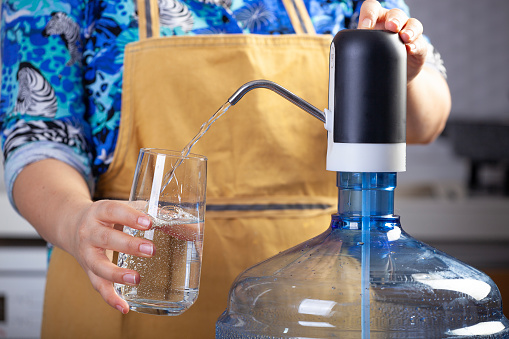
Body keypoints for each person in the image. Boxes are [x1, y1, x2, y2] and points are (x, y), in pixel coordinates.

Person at [1, 0, 451, 337]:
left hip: (317, 309)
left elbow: (427, 122)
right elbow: (35, 140)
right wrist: (74, 219)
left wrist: (398, 70)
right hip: (130, 299)